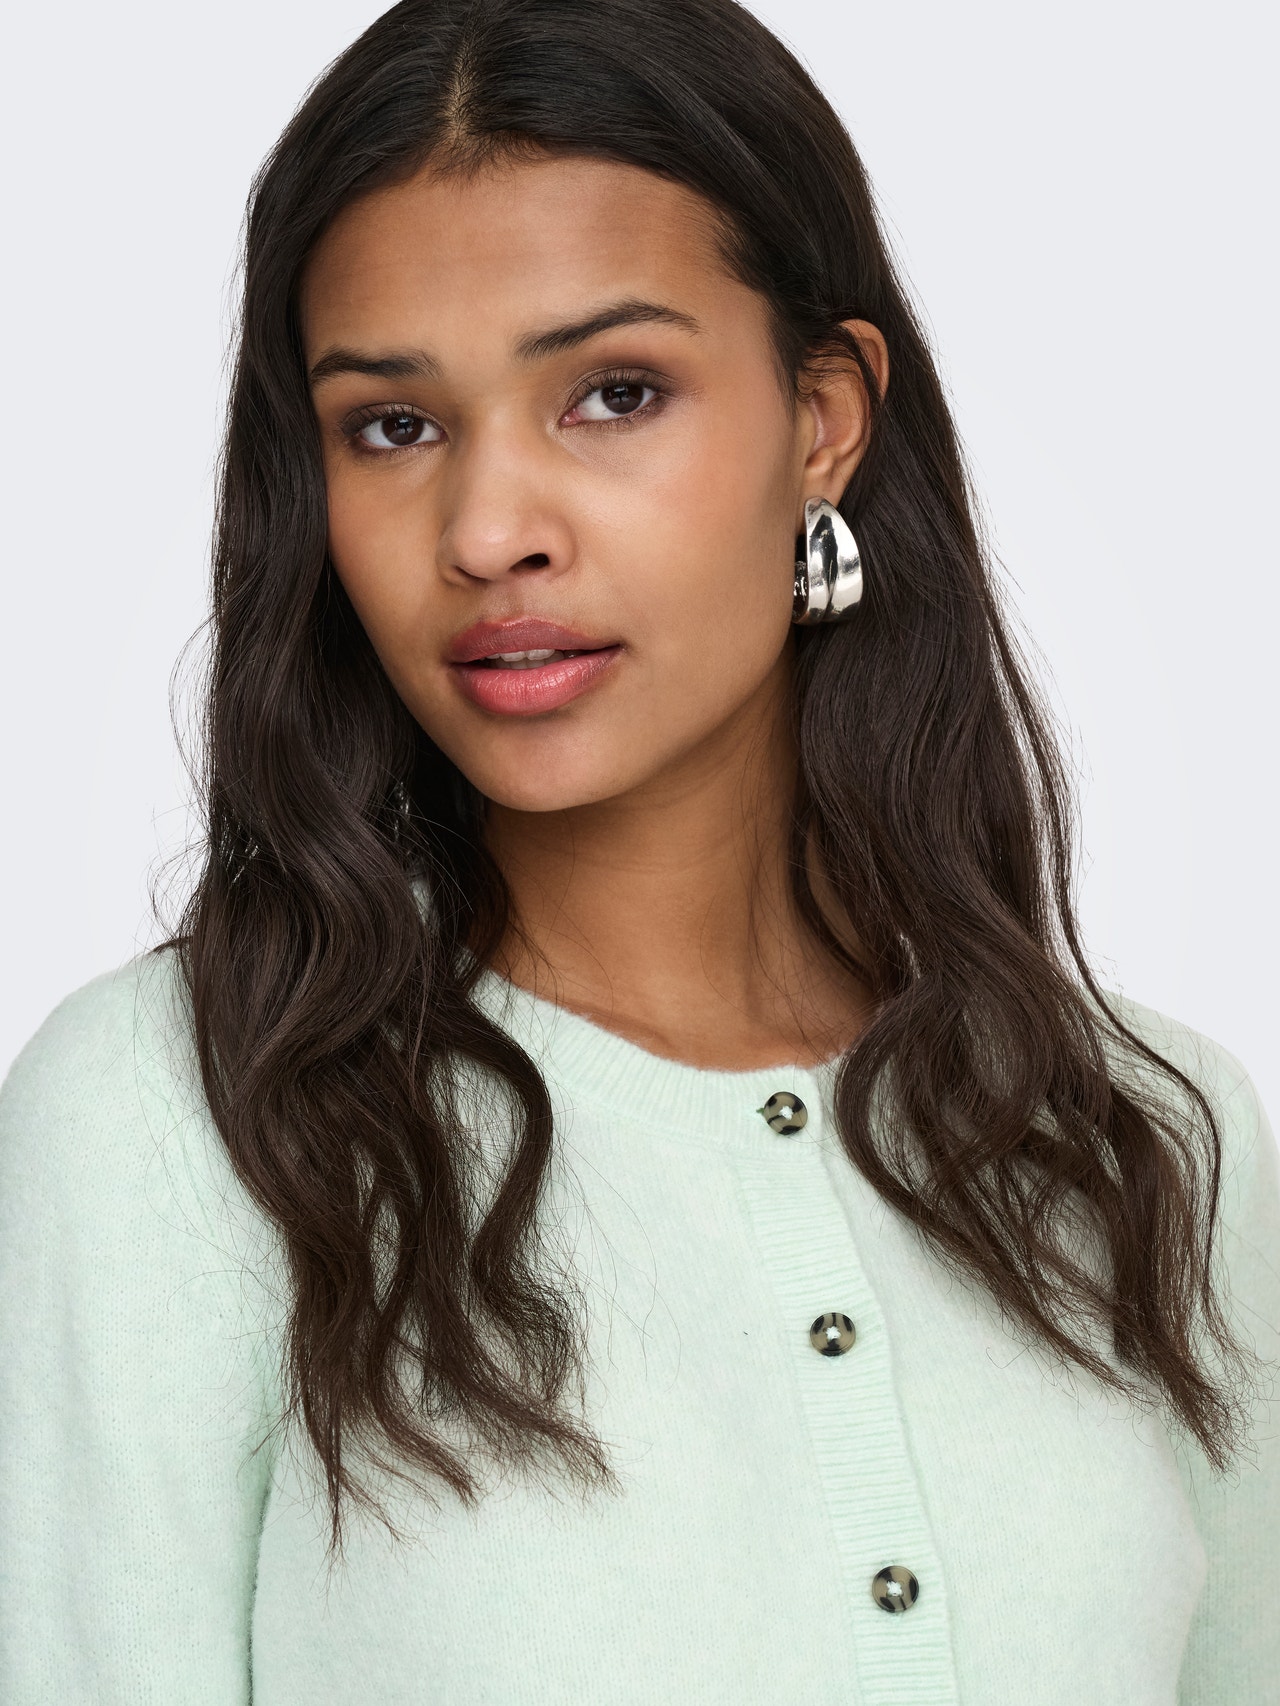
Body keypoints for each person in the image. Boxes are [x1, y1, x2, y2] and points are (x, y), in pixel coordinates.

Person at [1, 0, 1276, 1700]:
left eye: (614, 393)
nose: (487, 530)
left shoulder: (1138, 1142)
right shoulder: (180, 1119)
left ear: (822, 417)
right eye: (393, 424)